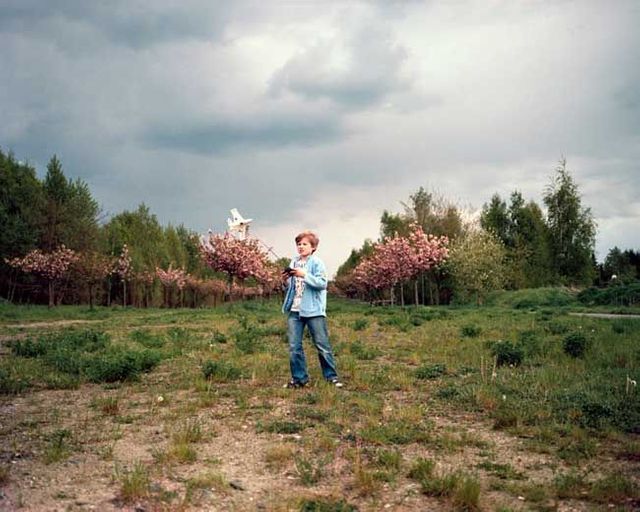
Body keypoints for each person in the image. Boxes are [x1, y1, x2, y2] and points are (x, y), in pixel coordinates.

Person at [282, 231, 343, 388]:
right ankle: (299, 379)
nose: (301, 247)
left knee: (322, 345)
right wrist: (286, 281)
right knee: (294, 346)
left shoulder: (317, 263)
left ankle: (331, 377)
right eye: (299, 244)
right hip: (295, 310)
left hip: (313, 310)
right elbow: (292, 288)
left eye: (305, 244)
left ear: (313, 247)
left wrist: (304, 275)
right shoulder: (293, 262)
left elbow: (322, 283)